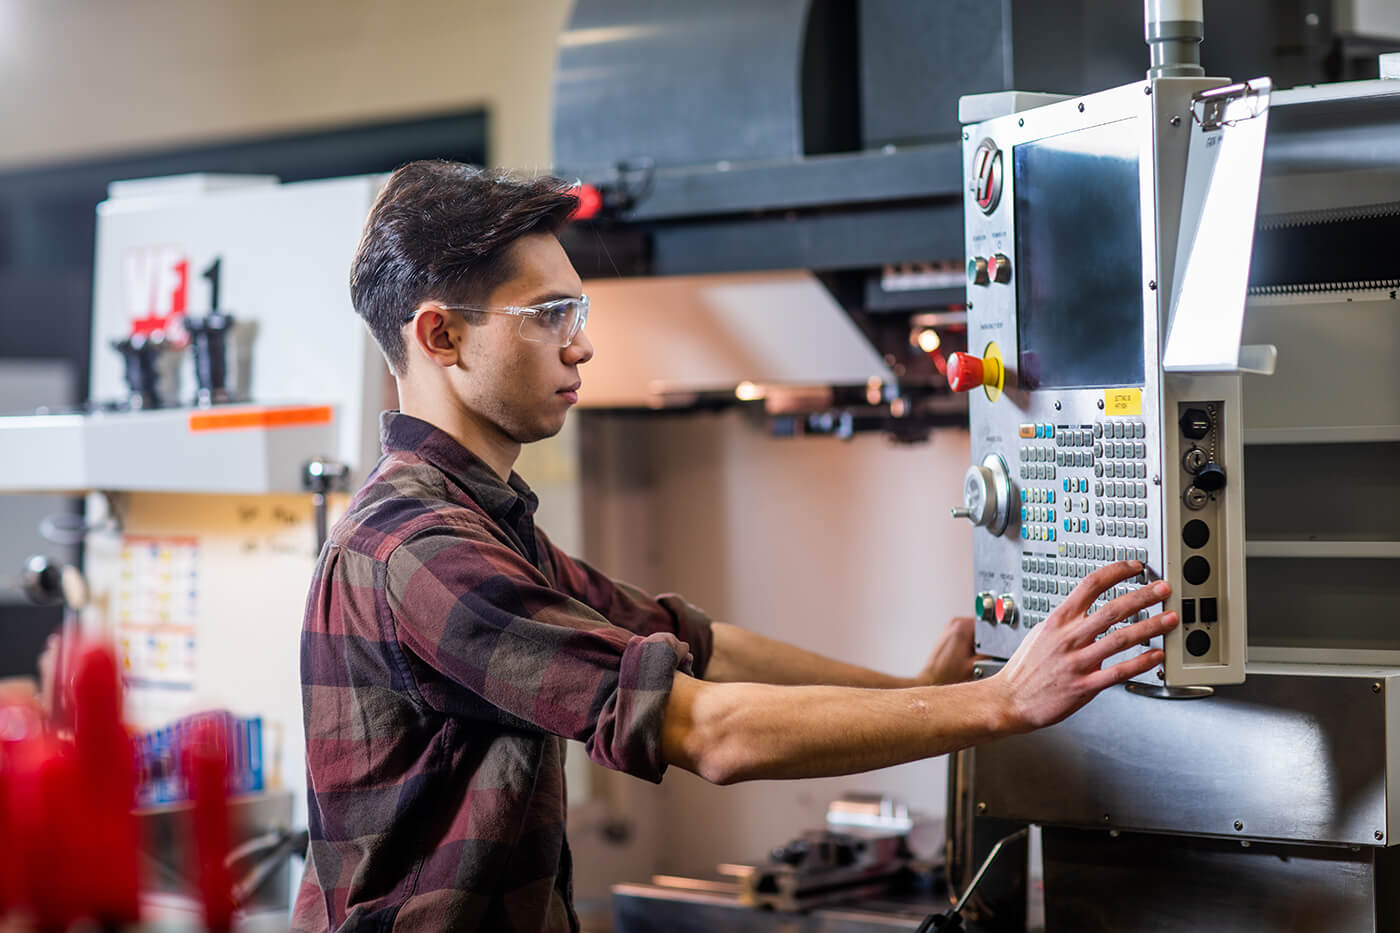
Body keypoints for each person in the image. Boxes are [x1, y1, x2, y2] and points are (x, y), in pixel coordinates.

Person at [294, 160, 1178, 932]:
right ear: (440, 335)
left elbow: (700, 647)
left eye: (581, 309)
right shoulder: (417, 548)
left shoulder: (482, 521)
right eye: (548, 314)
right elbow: (709, 731)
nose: (585, 343)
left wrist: (911, 695)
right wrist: (1002, 705)